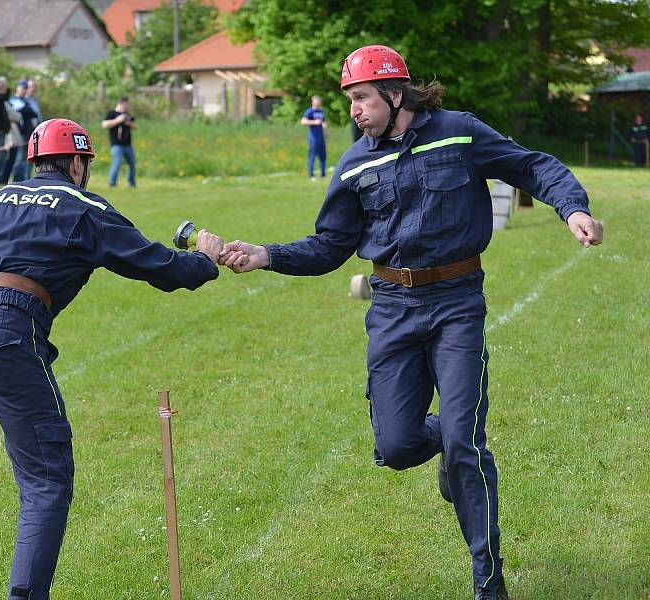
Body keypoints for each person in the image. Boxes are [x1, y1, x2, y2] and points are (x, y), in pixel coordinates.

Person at [220, 45, 603, 600]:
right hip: (392, 311)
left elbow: (532, 166)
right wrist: (266, 255)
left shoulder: (458, 132)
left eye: (361, 98)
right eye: (349, 100)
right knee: (396, 447)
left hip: (457, 303)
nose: (353, 110)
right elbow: (330, 246)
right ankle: (444, 442)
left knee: (467, 441)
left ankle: (488, 581)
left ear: (396, 95)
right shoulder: (355, 163)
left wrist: (574, 208)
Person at [0, 118, 224, 600]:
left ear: (33, 163)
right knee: (46, 476)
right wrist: (205, 258)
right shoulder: (84, 205)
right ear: (77, 162)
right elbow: (157, 266)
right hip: (5, 328)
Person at [102, 97, 137, 188]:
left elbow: (135, 127)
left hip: (128, 144)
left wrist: (127, 122)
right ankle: (112, 182)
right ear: (122, 103)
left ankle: (131, 183)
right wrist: (118, 120)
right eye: (127, 104)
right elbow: (105, 124)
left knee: (132, 163)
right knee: (117, 162)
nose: (128, 106)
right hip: (116, 144)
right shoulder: (112, 113)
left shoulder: (127, 115)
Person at [8, 81, 38, 182]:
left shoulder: (26, 101)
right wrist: (25, 110)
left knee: (29, 158)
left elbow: (34, 114)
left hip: (28, 133)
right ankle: (17, 180)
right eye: (22, 88)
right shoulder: (13, 100)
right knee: (19, 158)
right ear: (17, 88)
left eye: (25, 88)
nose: (23, 90)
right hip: (18, 134)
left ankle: (26, 179)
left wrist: (25, 110)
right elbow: (17, 113)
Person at [301, 95, 328, 180]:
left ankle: (323, 175)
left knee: (323, 156)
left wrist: (326, 129)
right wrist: (314, 122)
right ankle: (311, 175)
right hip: (313, 138)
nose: (318, 103)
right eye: (316, 101)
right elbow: (303, 121)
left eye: (319, 101)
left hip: (321, 138)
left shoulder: (322, 111)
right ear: (313, 102)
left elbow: (324, 121)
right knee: (312, 156)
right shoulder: (309, 112)